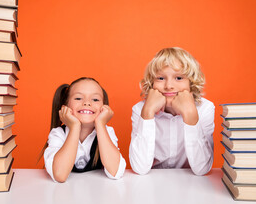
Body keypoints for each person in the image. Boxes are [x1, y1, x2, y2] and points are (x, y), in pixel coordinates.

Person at [129, 47, 215, 176]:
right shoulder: (140, 109)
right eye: (160, 78)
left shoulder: (205, 108)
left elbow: (202, 169)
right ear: (151, 83)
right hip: (152, 181)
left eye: (179, 78)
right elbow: (140, 168)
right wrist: (147, 113)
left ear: (191, 82)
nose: (169, 86)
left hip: (190, 182)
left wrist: (190, 115)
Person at [41, 77, 126, 182]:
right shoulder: (59, 134)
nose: (87, 103)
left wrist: (100, 124)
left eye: (95, 99)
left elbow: (115, 172)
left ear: (104, 108)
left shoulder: (106, 132)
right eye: (78, 98)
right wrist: (74, 127)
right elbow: (60, 175)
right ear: (65, 106)